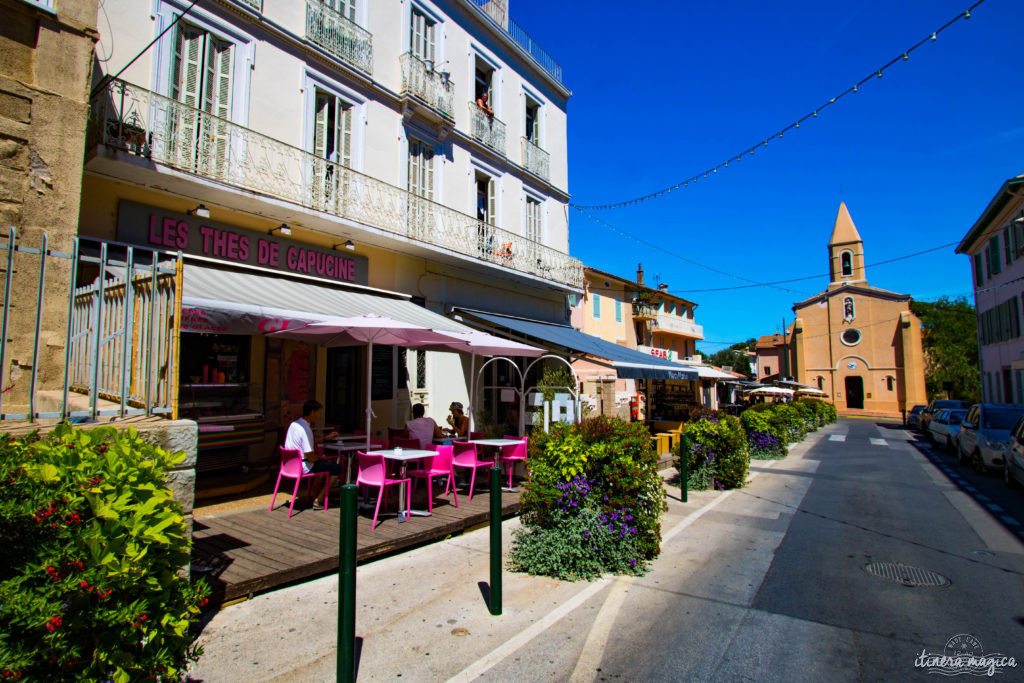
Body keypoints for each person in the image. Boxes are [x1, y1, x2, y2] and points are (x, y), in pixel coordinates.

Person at [284, 399, 340, 510]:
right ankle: (319, 499)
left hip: (289, 466)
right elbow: (310, 456)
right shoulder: (306, 429)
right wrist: (321, 457)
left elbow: (308, 441)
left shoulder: (294, 425)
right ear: (312, 412)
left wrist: (325, 438)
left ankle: (315, 495)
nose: (319, 415)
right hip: (303, 466)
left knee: (321, 467)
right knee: (337, 468)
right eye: (318, 412)